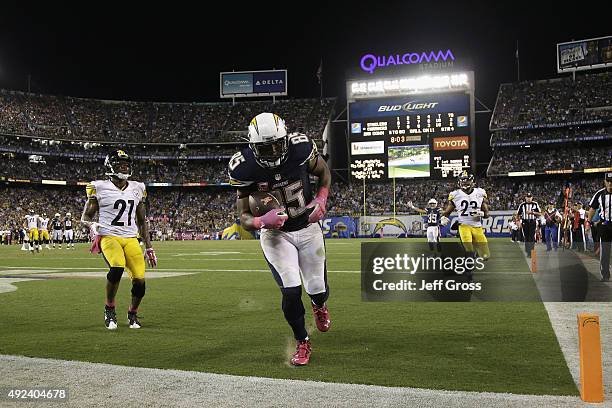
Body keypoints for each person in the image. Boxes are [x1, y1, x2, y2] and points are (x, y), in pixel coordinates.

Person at [229, 112, 332, 366]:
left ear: (286, 138)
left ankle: (319, 305)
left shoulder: (301, 148)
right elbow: (242, 216)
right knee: (290, 289)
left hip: (307, 227)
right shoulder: (244, 167)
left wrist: (321, 199)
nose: (274, 151)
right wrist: (262, 221)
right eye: (266, 148)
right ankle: (302, 341)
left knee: (318, 288)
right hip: (275, 235)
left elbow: (324, 173)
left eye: (278, 143)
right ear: (254, 147)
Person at [81, 149, 158, 330]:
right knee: (116, 267)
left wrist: (149, 247)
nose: (124, 167)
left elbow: (141, 221)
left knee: (140, 280)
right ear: (110, 166)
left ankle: (132, 313)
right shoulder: (98, 187)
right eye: (120, 164)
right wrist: (91, 226)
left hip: (131, 237)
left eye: (126, 164)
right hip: (109, 236)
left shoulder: (138, 188)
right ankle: (109, 309)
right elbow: (85, 217)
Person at [440, 171, 490, 279]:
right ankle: (468, 272)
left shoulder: (480, 193)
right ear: (459, 182)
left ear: (473, 182)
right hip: (463, 226)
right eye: (463, 180)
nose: (465, 182)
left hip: (477, 226)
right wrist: (443, 218)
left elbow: (487, 215)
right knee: (469, 250)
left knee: (485, 256)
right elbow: (447, 212)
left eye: (467, 180)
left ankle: (473, 257)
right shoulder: (455, 195)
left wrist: (482, 213)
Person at [586, 172, 612, 282]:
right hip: (605, 225)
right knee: (605, 251)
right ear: (605, 182)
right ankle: (605, 274)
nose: (611, 184)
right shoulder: (599, 194)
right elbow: (592, 208)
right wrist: (588, 222)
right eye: (609, 181)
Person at [516, 193, 541, 257]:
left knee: (531, 237)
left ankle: (531, 252)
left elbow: (540, 213)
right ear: (525, 198)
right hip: (525, 222)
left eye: (530, 197)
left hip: (532, 222)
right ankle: (528, 250)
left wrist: (532, 212)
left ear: (532, 198)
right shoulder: (522, 205)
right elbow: (518, 214)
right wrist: (518, 221)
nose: (529, 198)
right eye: (527, 197)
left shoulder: (535, 204)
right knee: (526, 237)